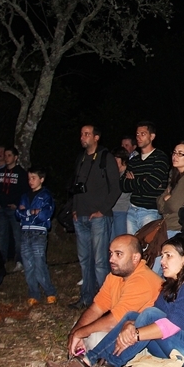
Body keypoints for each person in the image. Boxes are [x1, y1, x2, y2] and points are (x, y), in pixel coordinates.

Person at [47, 236, 184, 367]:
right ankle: (87, 362)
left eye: (168, 256)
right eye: (162, 256)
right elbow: (147, 318)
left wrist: (135, 333)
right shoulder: (170, 288)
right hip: (179, 348)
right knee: (133, 316)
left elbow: (169, 326)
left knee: (148, 315)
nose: (162, 261)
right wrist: (129, 325)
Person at [55, 235, 162, 356]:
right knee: (80, 325)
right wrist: (75, 333)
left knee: (94, 336)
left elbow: (115, 322)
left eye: (118, 254)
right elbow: (97, 308)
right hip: (123, 330)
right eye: (111, 253)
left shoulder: (143, 280)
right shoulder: (115, 276)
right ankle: (81, 349)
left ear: (135, 257)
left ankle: (85, 353)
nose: (111, 259)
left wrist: (80, 333)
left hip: (144, 341)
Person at [71, 125, 122, 309]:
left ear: (96, 137)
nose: (83, 137)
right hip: (81, 217)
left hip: (99, 217)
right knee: (85, 260)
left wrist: (103, 209)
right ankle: (86, 298)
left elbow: (116, 187)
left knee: (101, 261)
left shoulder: (105, 158)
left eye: (87, 134)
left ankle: (106, 303)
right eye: (81, 133)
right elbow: (76, 185)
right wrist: (75, 210)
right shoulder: (81, 158)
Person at [16, 166, 57, 306]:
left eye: (33, 178)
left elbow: (45, 214)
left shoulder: (46, 196)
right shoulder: (24, 196)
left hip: (38, 232)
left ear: (41, 179)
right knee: (28, 264)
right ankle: (33, 293)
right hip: (25, 233)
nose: (30, 181)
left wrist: (27, 212)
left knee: (39, 263)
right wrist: (31, 212)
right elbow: (18, 213)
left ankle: (50, 292)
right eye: (29, 178)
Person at [121, 121, 169, 233]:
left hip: (150, 212)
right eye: (137, 134)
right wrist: (142, 180)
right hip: (132, 209)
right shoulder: (134, 160)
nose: (138, 137)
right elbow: (122, 185)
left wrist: (133, 181)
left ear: (152, 136)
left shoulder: (160, 157)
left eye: (143, 134)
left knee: (148, 249)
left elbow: (151, 185)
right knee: (131, 249)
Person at [0, 146, 29, 271]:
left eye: (9, 155)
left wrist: (17, 204)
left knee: (17, 235)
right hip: (1, 208)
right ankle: (1, 260)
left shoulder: (21, 173)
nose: (6, 158)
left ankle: (19, 261)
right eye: (5, 155)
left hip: (14, 209)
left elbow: (24, 191)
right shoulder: (0, 172)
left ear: (15, 157)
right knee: (2, 235)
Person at [156, 140, 184, 241]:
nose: (175, 156)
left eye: (180, 154)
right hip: (167, 227)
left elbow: (173, 205)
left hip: (176, 229)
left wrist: (166, 201)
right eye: (174, 152)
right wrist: (165, 200)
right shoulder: (175, 176)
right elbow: (159, 202)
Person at [110, 147, 132, 240]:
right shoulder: (114, 174)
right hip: (111, 211)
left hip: (123, 211)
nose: (113, 161)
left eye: (116, 159)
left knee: (120, 240)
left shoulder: (128, 174)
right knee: (111, 242)